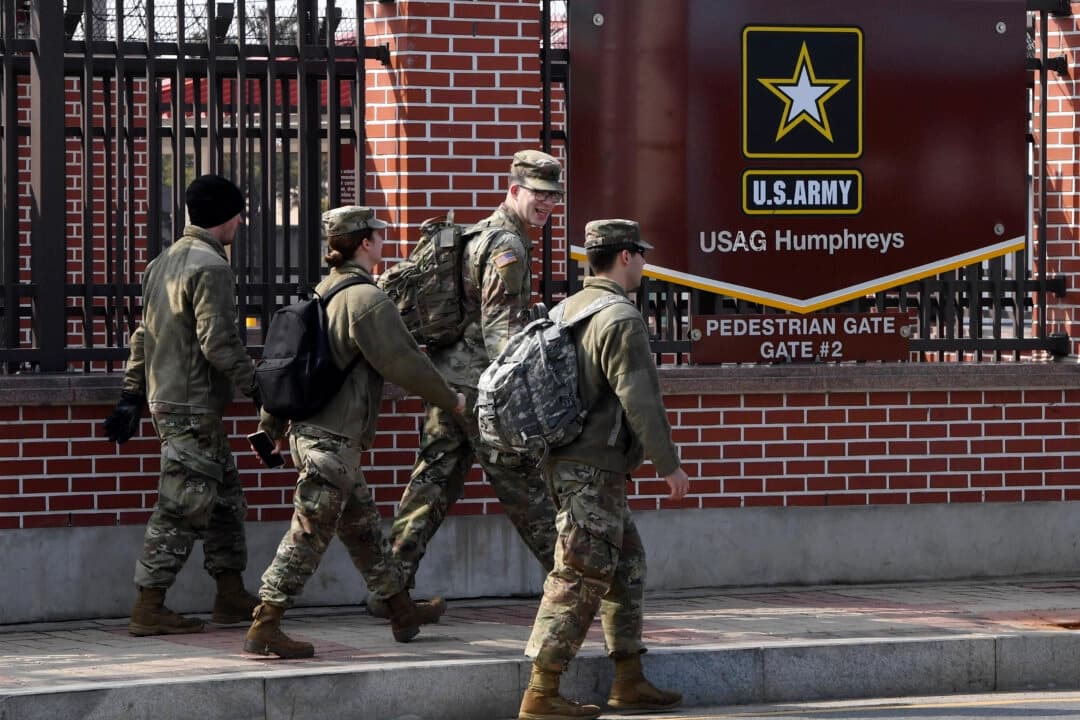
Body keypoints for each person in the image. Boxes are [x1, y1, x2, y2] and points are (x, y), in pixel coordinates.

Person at [243, 206, 468, 658]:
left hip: (317, 437)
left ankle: (402, 612)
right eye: (379, 237)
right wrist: (452, 399)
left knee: (364, 531)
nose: (383, 243)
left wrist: (270, 426)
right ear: (366, 243)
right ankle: (266, 624)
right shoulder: (365, 299)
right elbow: (404, 361)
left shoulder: (324, 291)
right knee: (308, 534)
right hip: (332, 443)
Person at [368, 150, 563, 618]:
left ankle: (388, 589)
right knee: (525, 488)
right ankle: (577, 585)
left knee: (431, 483)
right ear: (514, 191)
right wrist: (517, 398)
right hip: (481, 389)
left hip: (447, 379)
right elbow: (502, 333)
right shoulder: (507, 247)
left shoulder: (475, 234)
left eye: (554, 197)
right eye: (539, 195)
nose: (547, 204)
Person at [517, 219, 690, 720]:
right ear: (625, 257)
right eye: (641, 253)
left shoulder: (567, 309)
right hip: (592, 469)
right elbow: (641, 398)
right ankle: (541, 691)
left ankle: (629, 677)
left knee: (626, 563)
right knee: (579, 575)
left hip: (569, 463)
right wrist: (669, 466)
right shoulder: (619, 318)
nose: (645, 262)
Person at [103, 174, 263, 636]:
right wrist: (257, 387)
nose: (241, 221)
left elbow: (142, 338)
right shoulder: (210, 267)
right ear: (225, 216)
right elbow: (219, 343)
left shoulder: (163, 261)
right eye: (238, 213)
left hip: (171, 401)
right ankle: (148, 604)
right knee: (182, 506)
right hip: (192, 407)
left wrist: (131, 396)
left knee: (225, 502)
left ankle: (230, 594)